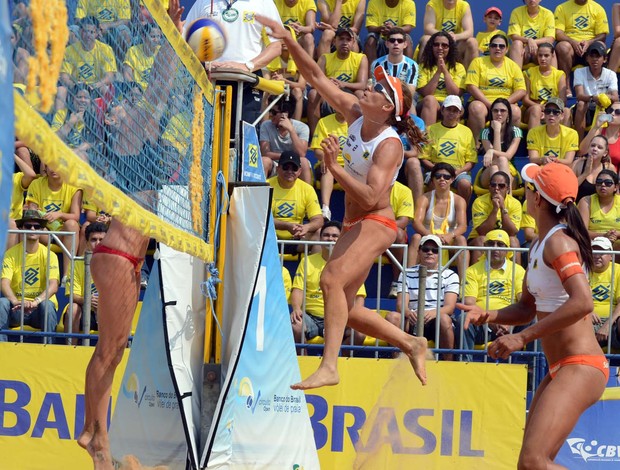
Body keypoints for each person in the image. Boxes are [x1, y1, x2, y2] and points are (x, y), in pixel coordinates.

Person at [257, 14, 429, 389]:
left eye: (377, 88)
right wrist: (289, 41)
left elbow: (370, 197)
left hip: (379, 222)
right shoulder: (354, 113)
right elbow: (317, 78)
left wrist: (334, 167)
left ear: (387, 108)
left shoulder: (387, 145)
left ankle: (329, 366)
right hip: (355, 221)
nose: (367, 87)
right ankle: (410, 342)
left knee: (330, 279)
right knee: (345, 309)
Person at [78, 2, 184, 466]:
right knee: (110, 349)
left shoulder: (134, 141)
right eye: (119, 105)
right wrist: (171, 36)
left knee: (114, 350)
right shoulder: (130, 138)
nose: (127, 108)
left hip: (125, 257)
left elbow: (157, 96)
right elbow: (158, 91)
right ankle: (92, 433)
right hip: (118, 254)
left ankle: (99, 445)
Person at [460, 162, 608, 468]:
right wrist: (488, 314)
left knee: (533, 462)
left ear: (537, 199)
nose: (522, 191)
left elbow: (583, 302)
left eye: (528, 187)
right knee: (531, 464)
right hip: (562, 366)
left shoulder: (558, 241)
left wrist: (523, 337)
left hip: (581, 365)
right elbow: (528, 308)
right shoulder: (541, 243)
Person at [184, 0, 284, 124]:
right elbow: (185, 42)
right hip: (209, 79)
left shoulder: (263, 2)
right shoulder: (203, 2)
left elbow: (276, 46)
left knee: (241, 138)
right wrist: (204, 64)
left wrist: (247, 66)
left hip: (247, 81)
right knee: (207, 139)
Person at [290, 221, 366, 345]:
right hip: (311, 317)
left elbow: (359, 297)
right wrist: (296, 309)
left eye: (335, 236)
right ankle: (304, 360)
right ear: (320, 238)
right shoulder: (307, 261)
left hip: (340, 317)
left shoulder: (351, 264)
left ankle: (341, 361)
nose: (330, 238)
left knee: (359, 333)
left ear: (341, 238)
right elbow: (298, 290)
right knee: (295, 326)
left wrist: (353, 316)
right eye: (326, 235)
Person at [386, 234, 460, 361]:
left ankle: (449, 362)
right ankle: (395, 360)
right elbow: (401, 305)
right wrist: (409, 313)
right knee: (392, 317)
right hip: (412, 319)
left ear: (440, 254)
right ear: (419, 252)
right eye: (426, 249)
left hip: (436, 320)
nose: (430, 253)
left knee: (444, 319)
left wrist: (433, 313)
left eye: (435, 250)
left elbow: (450, 307)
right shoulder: (406, 273)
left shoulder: (450, 275)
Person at [0, 210, 59, 342]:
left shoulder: (50, 255)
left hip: (39, 308)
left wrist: (36, 302)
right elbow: (4, 283)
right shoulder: (10, 254)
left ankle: (49, 350)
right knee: (2, 303)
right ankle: (1, 350)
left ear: (42, 229)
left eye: (37, 226)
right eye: (28, 226)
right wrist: (15, 301)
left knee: (48, 306)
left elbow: (54, 285)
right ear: (21, 228)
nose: (32, 229)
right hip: (17, 308)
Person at [462, 229, 525, 349]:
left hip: (512, 323)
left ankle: (533, 366)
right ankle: (466, 362)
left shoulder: (518, 270)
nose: (495, 248)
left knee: (534, 317)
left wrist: (508, 322)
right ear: (484, 247)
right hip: (482, 323)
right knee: (465, 318)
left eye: (500, 244)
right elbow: (469, 303)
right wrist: (491, 320)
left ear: (508, 249)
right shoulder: (472, 271)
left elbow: (523, 301)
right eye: (491, 244)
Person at [465, 33, 526, 146]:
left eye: (501, 46)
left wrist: (503, 105)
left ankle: (508, 145)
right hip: (483, 103)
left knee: (516, 111)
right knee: (476, 107)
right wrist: (490, 105)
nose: (497, 48)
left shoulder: (513, 66)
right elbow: (471, 86)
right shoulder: (478, 62)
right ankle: (478, 145)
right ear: (489, 48)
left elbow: (521, 90)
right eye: (494, 45)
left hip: (505, 103)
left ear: (507, 49)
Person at [25, 166, 82, 284]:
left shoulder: (74, 187)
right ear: (45, 167)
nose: (54, 168)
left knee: (72, 224)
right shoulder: (36, 184)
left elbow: (75, 216)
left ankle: (67, 277)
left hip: (62, 234)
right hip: (43, 231)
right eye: (50, 164)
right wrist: (41, 216)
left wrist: (59, 214)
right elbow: (32, 211)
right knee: (29, 225)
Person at [307, 26, 368, 136]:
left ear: (353, 42)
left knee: (360, 94)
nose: (345, 42)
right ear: (334, 41)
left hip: (350, 96)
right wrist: (328, 85)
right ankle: (315, 135)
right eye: (341, 39)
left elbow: (362, 85)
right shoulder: (325, 58)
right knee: (313, 94)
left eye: (348, 40)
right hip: (330, 95)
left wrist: (342, 84)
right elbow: (314, 83)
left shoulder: (361, 58)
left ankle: (360, 134)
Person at [419, 95, 477, 203]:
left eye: (455, 110)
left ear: (460, 113)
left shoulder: (466, 131)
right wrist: (436, 168)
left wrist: (457, 171)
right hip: (435, 168)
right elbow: (423, 157)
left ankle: (461, 215)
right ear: (442, 110)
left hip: (458, 171)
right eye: (448, 109)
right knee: (434, 181)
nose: (451, 113)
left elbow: (471, 161)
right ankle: (430, 214)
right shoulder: (431, 129)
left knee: (465, 184)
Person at [409, 162, 468, 268]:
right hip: (428, 239)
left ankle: (464, 283)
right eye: (438, 176)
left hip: (449, 241)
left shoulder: (459, 200)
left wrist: (450, 235)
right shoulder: (424, 198)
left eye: (446, 177)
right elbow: (416, 222)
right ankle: (407, 279)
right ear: (432, 179)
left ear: (452, 179)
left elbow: (462, 226)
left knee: (461, 240)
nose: (442, 179)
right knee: (416, 237)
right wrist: (430, 235)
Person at [268, 151, 324, 248]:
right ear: (277, 169)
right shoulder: (266, 186)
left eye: (294, 168)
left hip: (297, 238)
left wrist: (307, 227)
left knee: (319, 233)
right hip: (269, 238)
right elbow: (261, 219)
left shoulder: (307, 189)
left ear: (299, 171)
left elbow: (318, 219)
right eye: (286, 167)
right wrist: (287, 226)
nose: (290, 171)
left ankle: (311, 264)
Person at [64, 222, 108, 345]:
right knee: (72, 308)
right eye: (94, 240)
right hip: (85, 310)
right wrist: (88, 300)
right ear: (87, 242)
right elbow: (72, 295)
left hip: (107, 310)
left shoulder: (115, 264)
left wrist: (103, 302)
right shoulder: (77, 264)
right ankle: (70, 350)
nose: (98, 243)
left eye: (101, 239)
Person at [554, 0, 609, 93]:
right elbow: (558, 33)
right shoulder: (561, 8)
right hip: (570, 48)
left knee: (601, 46)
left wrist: (589, 42)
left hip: (590, 47)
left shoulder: (598, 8)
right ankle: (566, 88)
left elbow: (602, 34)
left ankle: (601, 87)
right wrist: (572, 42)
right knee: (562, 46)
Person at [468, 170, 522, 264]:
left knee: (514, 241)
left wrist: (503, 208)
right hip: (478, 238)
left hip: (503, 239)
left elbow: (512, 232)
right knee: (482, 239)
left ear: (508, 188)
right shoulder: (479, 202)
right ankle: (475, 275)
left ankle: (516, 276)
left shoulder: (515, 204)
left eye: (501, 186)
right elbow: (482, 231)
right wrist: (495, 210)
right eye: (493, 185)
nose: (496, 188)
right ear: (489, 187)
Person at [416, 31, 466, 125]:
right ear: (431, 47)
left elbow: (455, 94)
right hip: (429, 104)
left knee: (453, 104)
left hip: (451, 102)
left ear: (450, 48)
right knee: (430, 99)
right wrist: (438, 72)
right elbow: (427, 93)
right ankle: (427, 138)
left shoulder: (459, 67)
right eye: (436, 44)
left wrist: (445, 71)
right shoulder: (423, 66)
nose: (440, 48)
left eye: (444, 45)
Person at [59, 16, 117, 99]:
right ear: (79, 31)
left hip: (96, 87)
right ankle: (60, 112)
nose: (88, 35)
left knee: (106, 88)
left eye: (91, 32)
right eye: (85, 31)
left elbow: (110, 76)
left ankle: (105, 111)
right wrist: (75, 85)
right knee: (61, 90)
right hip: (75, 87)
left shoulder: (106, 50)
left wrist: (96, 85)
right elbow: (64, 76)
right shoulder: (69, 51)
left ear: (97, 33)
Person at [260, 96, 312, 184]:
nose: (270, 115)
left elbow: (302, 153)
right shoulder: (266, 125)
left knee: (303, 162)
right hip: (275, 164)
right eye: (270, 111)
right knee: (264, 161)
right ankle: (260, 195)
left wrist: (291, 130)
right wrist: (286, 157)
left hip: (294, 164)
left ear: (285, 114)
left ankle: (308, 196)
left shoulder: (302, 127)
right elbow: (265, 153)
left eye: (274, 112)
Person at [573, 41, 619, 139]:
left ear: (605, 59)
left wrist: (603, 98)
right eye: (592, 56)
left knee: (617, 107)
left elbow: (615, 96)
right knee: (581, 104)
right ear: (587, 58)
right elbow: (579, 95)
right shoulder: (579, 72)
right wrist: (594, 98)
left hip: (604, 107)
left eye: (598, 56)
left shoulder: (611, 74)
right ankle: (579, 144)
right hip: (588, 106)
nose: (595, 59)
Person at [310, 111, 348, 220]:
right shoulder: (324, 122)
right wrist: (326, 158)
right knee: (329, 166)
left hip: (349, 164)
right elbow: (317, 150)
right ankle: (325, 208)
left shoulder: (357, 123)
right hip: (327, 162)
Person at [479, 98, 523, 191]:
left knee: (502, 161)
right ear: (491, 113)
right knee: (495, 166)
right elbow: (495, 158)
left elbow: (508, 156)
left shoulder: (516, 131)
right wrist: (497, 131)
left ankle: (506, 200)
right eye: (495, 110)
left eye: (502, 111)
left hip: (510, 172)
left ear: (508, 114)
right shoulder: (485, 132)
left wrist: (491, 150)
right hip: (488, 172)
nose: (499, 113)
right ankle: (507, 200)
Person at [418, 0, 477, 70]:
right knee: (425, 39)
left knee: (472, 42)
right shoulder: (432, 4)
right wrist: (445, 36)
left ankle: (470, 78)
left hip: (456, 44)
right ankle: (422, 75)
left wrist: (455, 36)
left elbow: (469, 32)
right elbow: (428, 29)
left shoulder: (464, 5)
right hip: (437, 44)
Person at [522, 43, 569, 129]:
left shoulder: (559, 74)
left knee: (566, 111)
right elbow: (525, 99)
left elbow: (562, 101)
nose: (543, 59)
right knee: (536, 110)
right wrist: (540, 107)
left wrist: (548, 109)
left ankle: (562, 141)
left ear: (552, 56)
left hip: (553, 107)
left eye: (546, 55)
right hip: (533, 107)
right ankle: (533, 141)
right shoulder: (528, 73)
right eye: (540, 55)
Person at [588, 236, 620, 353]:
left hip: (613, 322)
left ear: (611, 256)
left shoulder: (618, 270)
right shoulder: (583, 270)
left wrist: (607, 325)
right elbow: (577, 299)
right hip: (586, 319)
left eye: (602, 252)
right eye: (594, 252)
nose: (597, 256)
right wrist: (588, 311)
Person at [527, 97, 579, 166]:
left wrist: (554, 160)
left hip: (561, 170)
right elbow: (533, 158)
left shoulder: (572, 134)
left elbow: (568, 161)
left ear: (562, 116)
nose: (551, 114)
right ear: (544, 114)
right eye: (548, 111)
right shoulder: (533, 132)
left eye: (556, 112)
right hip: (541, 171)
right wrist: (543, 159)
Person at [369, 27, 419, 100]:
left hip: (405, 99)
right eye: (392, 40)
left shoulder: (412, 65)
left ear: (405, 44)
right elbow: (376, 88)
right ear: (386, 44)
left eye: (400, 41)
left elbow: (410, 91)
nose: (396, 43)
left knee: (411, 105)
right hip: (384, 98)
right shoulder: (377, 64)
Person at [363, 0, 417, 66]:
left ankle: (408, 71)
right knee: (371, 38)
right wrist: (381, 28)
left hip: (397, 39)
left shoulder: (409, 3)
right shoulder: (374, 2)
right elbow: (370, 27)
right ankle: (372, 73)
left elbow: (408, 28)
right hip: (380, 40)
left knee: (407, 39)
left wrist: (393, 29)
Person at [578, 169, 620, 250]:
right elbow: (582, 231)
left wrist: (616, 234)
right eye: (599, 182)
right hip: (593, 242)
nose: (603, 185)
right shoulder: (586, 201)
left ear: (616, 187)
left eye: (608, 183)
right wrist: (604, 236)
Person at [507, 0, 556, 69]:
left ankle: (553, 78)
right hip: (522, 51)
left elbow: (550, 38)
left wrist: (532, 42)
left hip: (539, 51)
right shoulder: (516, 12)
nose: (532, 0)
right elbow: (514, 36)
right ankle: (516, 78)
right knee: (516, 43)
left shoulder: (548, 14)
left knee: (549, 47)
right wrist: (528, 40)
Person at [581, 100, 620, 173]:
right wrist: (596, 126)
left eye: (617, 112)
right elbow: (582, 151)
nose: (612, 113)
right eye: (610, 110)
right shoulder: (599, 131)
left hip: (611, 179)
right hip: (592, 173)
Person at [122, 22, 162, 91]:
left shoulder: (162, 52)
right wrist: (134, 87)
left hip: (156, 91)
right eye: (152, 37)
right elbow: (127, 75)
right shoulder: (133, 51)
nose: (156, 40)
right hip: (137, 91)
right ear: (143, 37)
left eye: (158, 36)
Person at [573, 134, 611, 201]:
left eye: (599, 147)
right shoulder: (578, 164)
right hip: (578, 206)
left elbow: (614, 192)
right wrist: (585, 174)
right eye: (593, 145)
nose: (595, 149)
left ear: (605, 153)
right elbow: (569, 188)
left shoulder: (609, 168)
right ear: (588, 148)